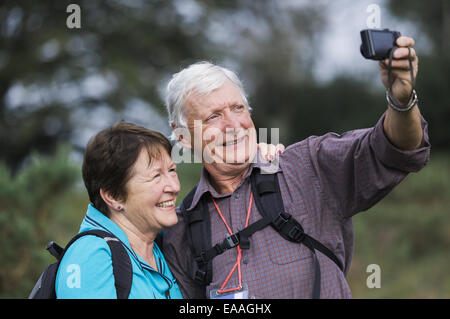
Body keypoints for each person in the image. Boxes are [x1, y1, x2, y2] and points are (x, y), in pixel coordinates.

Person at [161, 35, 431, 298]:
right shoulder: (180, 229)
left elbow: (392, 149)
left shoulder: (307, 166)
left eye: (238, 108)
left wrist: (401, 101)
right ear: (183, 137)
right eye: (213, 116)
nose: (233, 125)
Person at [56, 121, 184, 298]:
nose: (174, 186)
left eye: (172, 170)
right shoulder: (92, 255)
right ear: (113, 196)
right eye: (156, 176)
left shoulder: (163, 246)